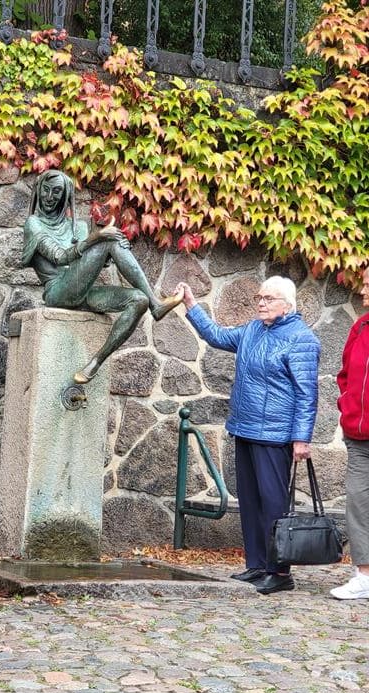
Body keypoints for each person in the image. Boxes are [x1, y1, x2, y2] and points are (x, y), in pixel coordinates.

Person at [176, 276, 321, 595]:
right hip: (245, 427)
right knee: (251, 500)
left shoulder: (301, 339)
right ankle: (256, 565)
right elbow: (215, 335)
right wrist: (191, 305)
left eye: (269, 298)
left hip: (275, 433)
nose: (261, 302)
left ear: (288, 304)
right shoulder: (253, 331)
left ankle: (279, 571)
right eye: (260, 297)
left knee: (273, 504)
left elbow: (306, 394)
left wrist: (301, 438)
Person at [22, 170, 183, 384]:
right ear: (39, 190)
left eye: (57, 192)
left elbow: (83, 264)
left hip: (82, 292)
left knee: (138, 300)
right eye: (46, 190)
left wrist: (113, 251)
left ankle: (95, 363)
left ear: (64, 196)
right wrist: (99, 238)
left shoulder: (77, 227)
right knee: (108, 240)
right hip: (57, 292)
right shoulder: (33, 224)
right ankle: (157, 304)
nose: (50, 197)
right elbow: (60, 257)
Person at [330, 266, 369, 600]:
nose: (363, 291)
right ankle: (364, 575)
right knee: (358, 503)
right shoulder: (360, 326)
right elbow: (344, 374)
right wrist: (346, 407)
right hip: (358, 436)